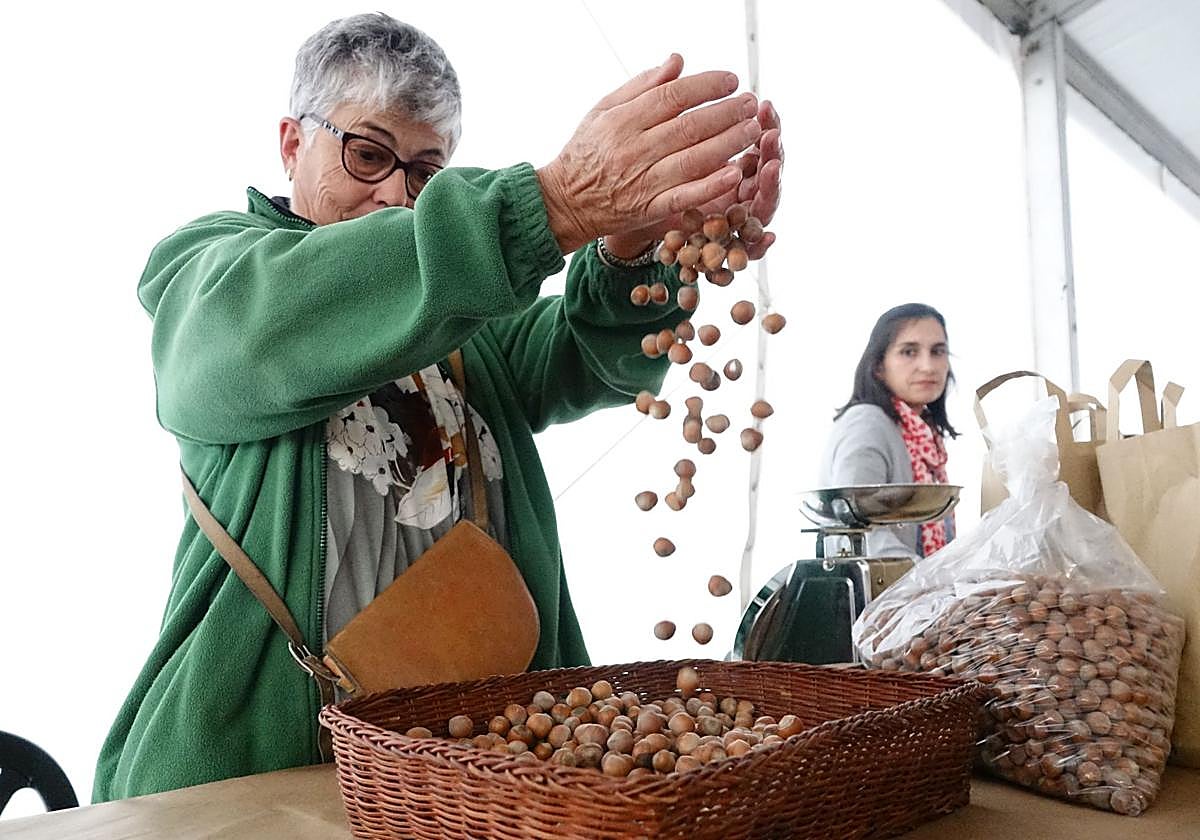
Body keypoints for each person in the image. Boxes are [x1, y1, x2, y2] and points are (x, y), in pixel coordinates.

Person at [94, 13, 782, 800]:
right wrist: (549, 204)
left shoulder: (463, 317)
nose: (396, 194)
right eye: (367, 153)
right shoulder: (211, 269)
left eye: (427, 171)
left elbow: (588, 357)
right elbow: (261, 333)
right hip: (255, 776)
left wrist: (633, 247)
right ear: (292, 143)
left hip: (461, 780)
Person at [819, 303, 956, 559]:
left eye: (938, 351)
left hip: (913, 594)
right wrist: (936, 585)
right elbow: (862, 533)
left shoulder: (921, 435)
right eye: (909, 352)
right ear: (878, 366)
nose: (928, 366)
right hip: (874, 596)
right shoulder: (867, 424)